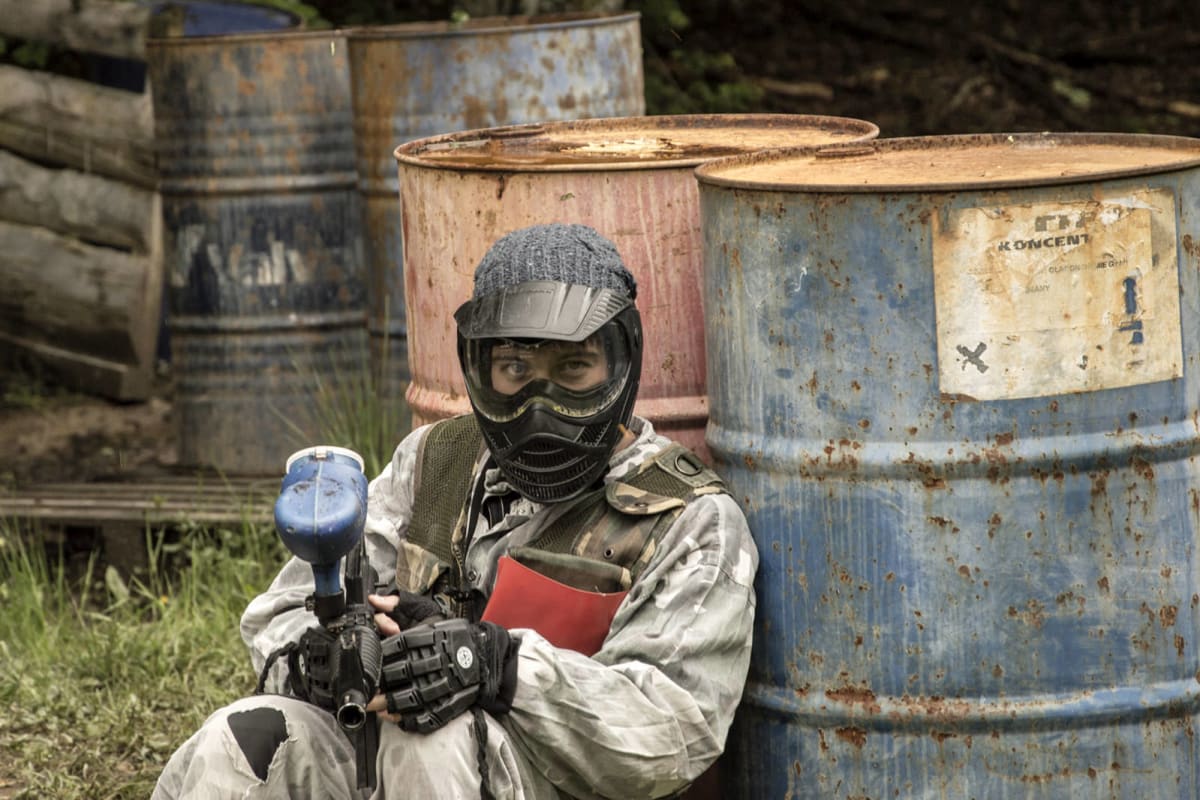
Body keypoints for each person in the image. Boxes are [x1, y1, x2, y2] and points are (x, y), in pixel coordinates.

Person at [153, 222, 759, 800]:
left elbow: (671, 734)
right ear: (482, 370)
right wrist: (322, 656)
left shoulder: (688, 520)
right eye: (515, 369)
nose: (539, 401)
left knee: (433, 734)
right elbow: (282, 611)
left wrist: (499, 666)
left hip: (549, 783)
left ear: (620, 365)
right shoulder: (437, 460)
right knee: (245, 738)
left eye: (572, 368)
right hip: (390, 763)